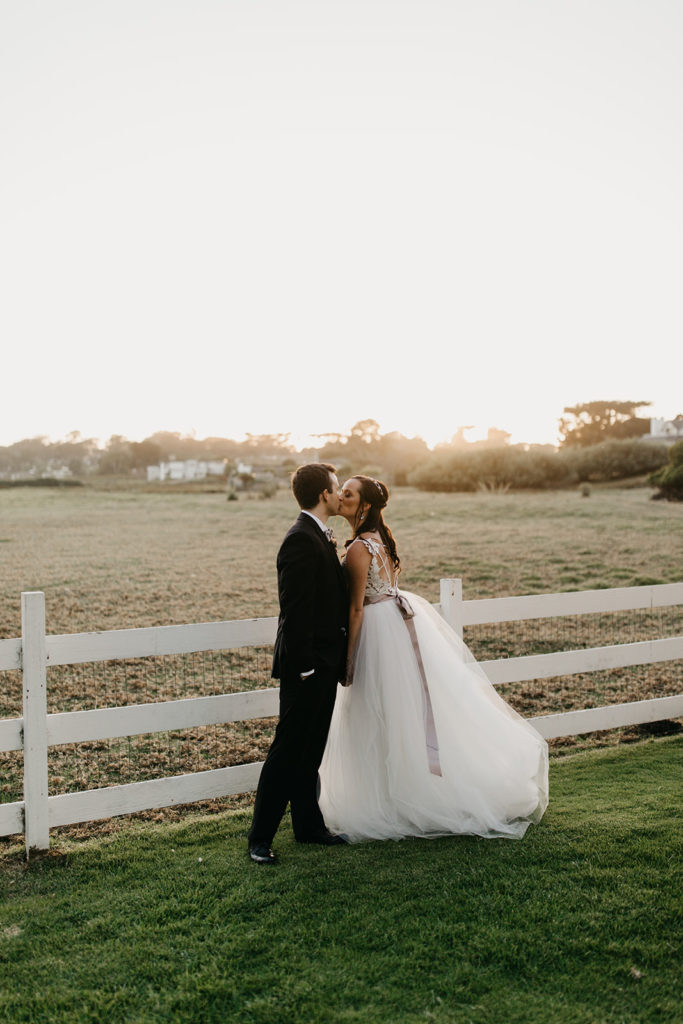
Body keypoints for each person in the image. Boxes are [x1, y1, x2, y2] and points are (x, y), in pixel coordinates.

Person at [319, 475, 549, 842]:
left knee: (379, 714)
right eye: (341, 492)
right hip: (395, 629)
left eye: (348, 494)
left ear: (364, 506)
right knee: (398, 715)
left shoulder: (361, 549)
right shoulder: (377, 541)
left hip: (378, 636)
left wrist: (348, 662)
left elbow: (356, 611)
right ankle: (400, 792)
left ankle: (391, 800)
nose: (341, 498)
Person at [247, 463, 349, 864]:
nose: (341, 494)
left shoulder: (319, 536)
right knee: (287, 752)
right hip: (305, 668)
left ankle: (308, 827)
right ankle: (259, 839)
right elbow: (293, 611)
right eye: (337, 488)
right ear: (324, 494)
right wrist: (306, 667)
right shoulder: (299, 540)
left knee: (312, 751)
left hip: (323, 664)